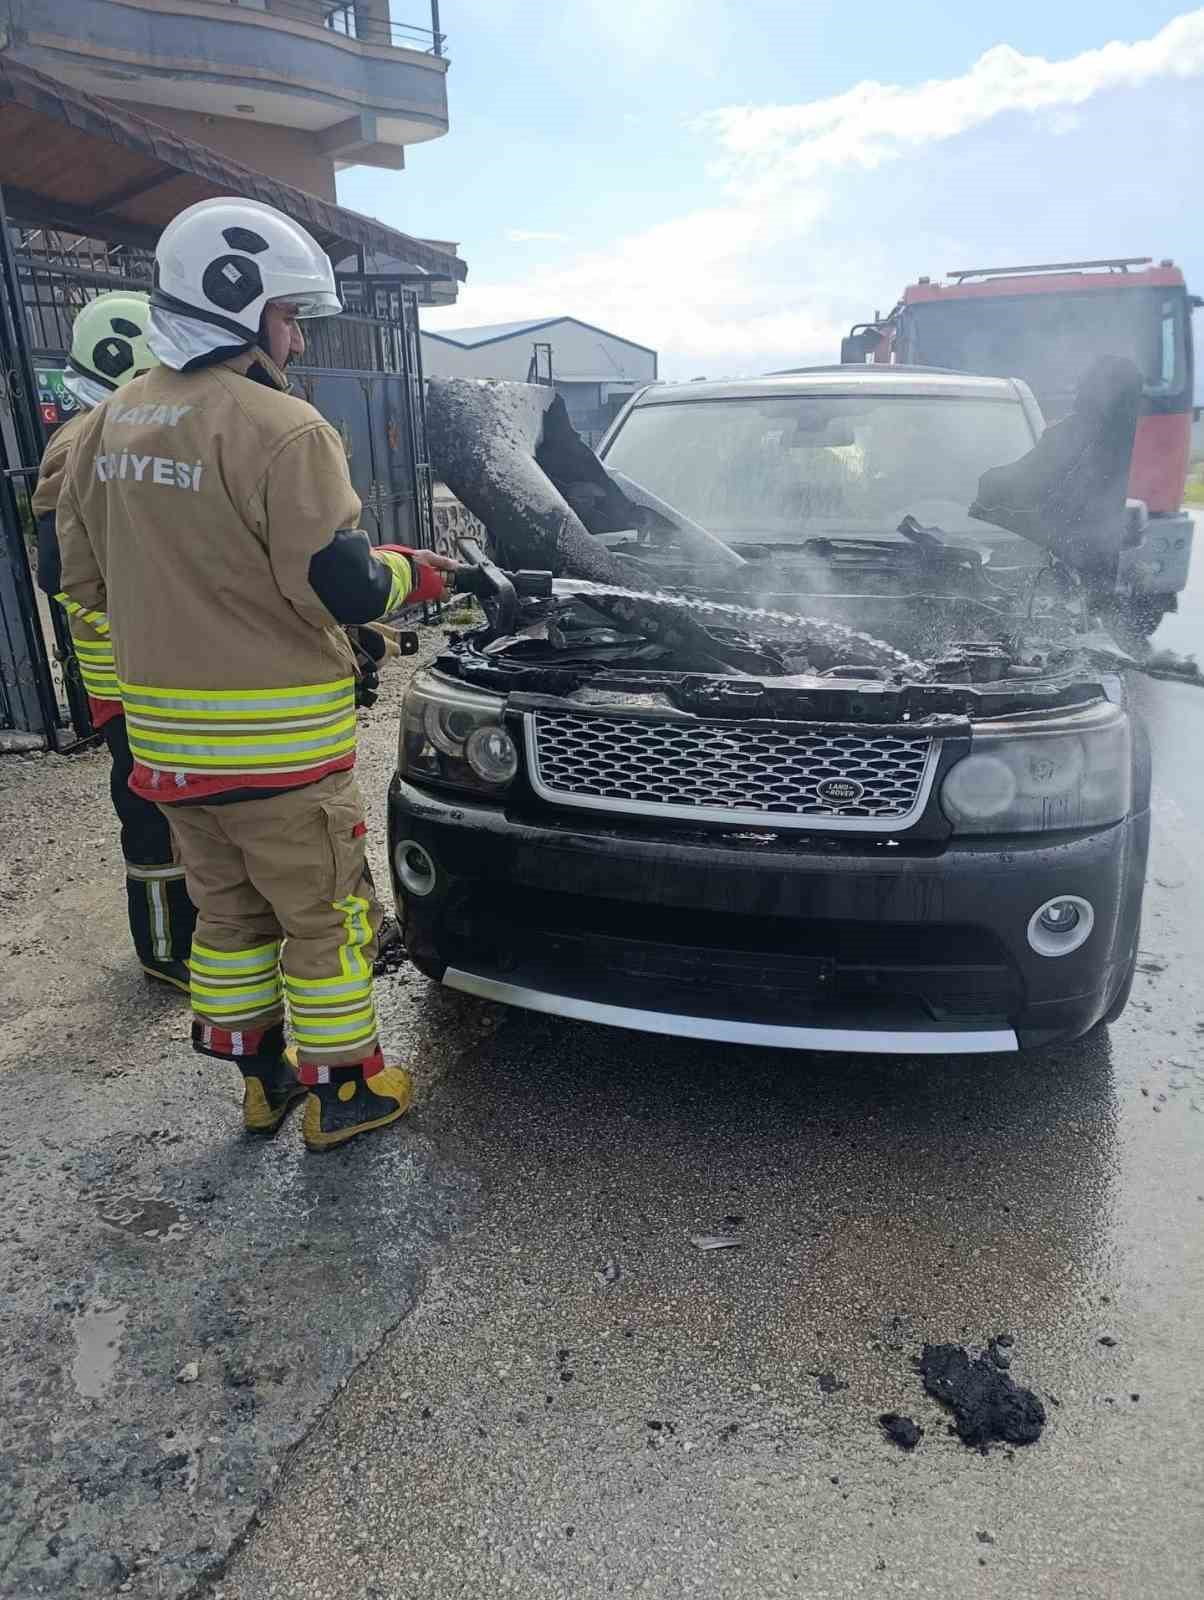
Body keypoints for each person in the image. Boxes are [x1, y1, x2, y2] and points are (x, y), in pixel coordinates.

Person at [56, 196, 457, 1150]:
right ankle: (346, 1095)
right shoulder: (281, 429)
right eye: (288, 316)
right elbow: (343, 587)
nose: (298, 339)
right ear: (237, 308)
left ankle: (263, 1084)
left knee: (228, 921)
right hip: (280, 759)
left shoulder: (105, 428)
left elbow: (68, 576)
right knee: (326, 924)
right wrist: (418, 571)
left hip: (171, 759)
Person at [33, 291, 196, 991]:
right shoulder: (86, 439)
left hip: (142, 671)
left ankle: (190, 936)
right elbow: (57, 568)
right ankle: (165, 951)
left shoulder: (105, 427)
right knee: (151, 812)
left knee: (174, 807)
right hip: (130, 677)